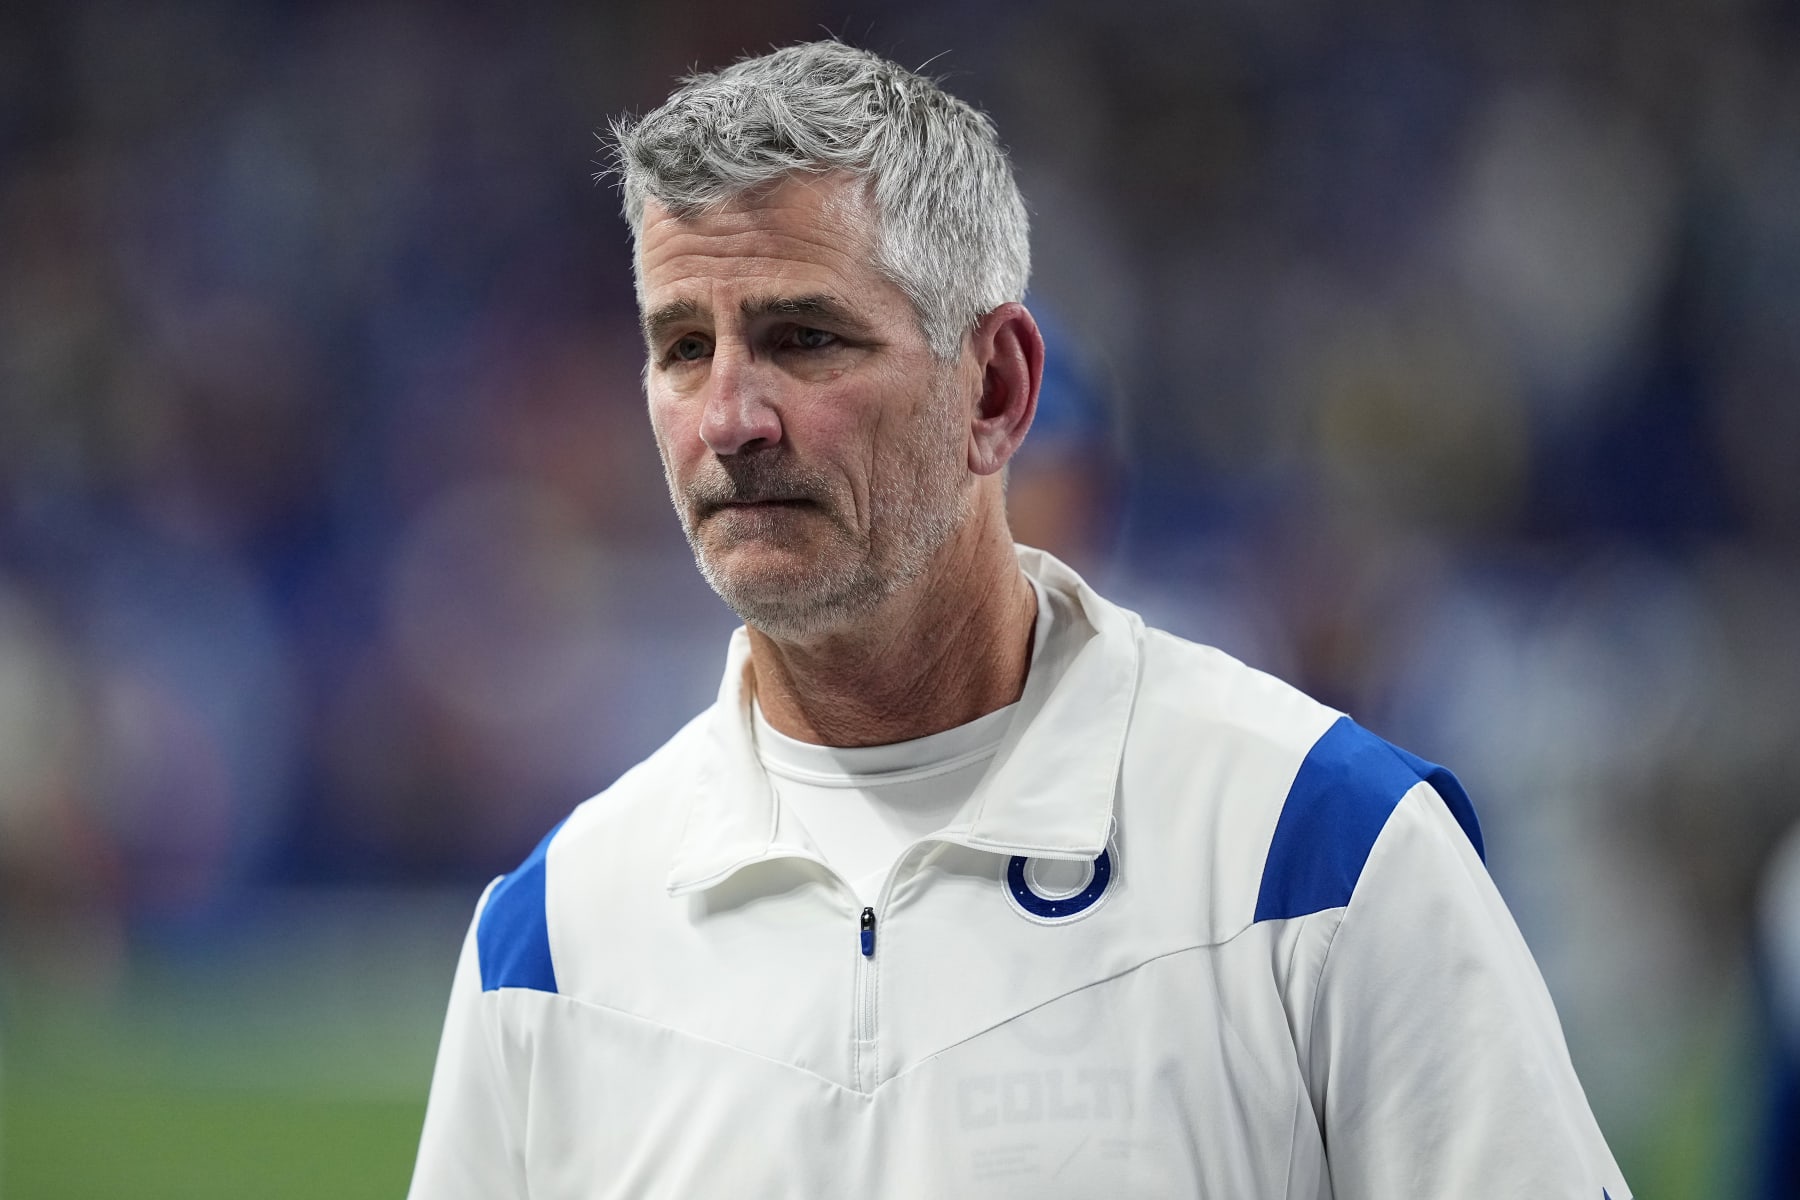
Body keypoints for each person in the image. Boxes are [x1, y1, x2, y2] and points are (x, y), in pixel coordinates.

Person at [408, 40, 1630, 1198]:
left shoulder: (1317, 855)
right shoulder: (553, 941)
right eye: (683, 347)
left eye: (803, 338)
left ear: (996, 389)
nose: (730, 416)